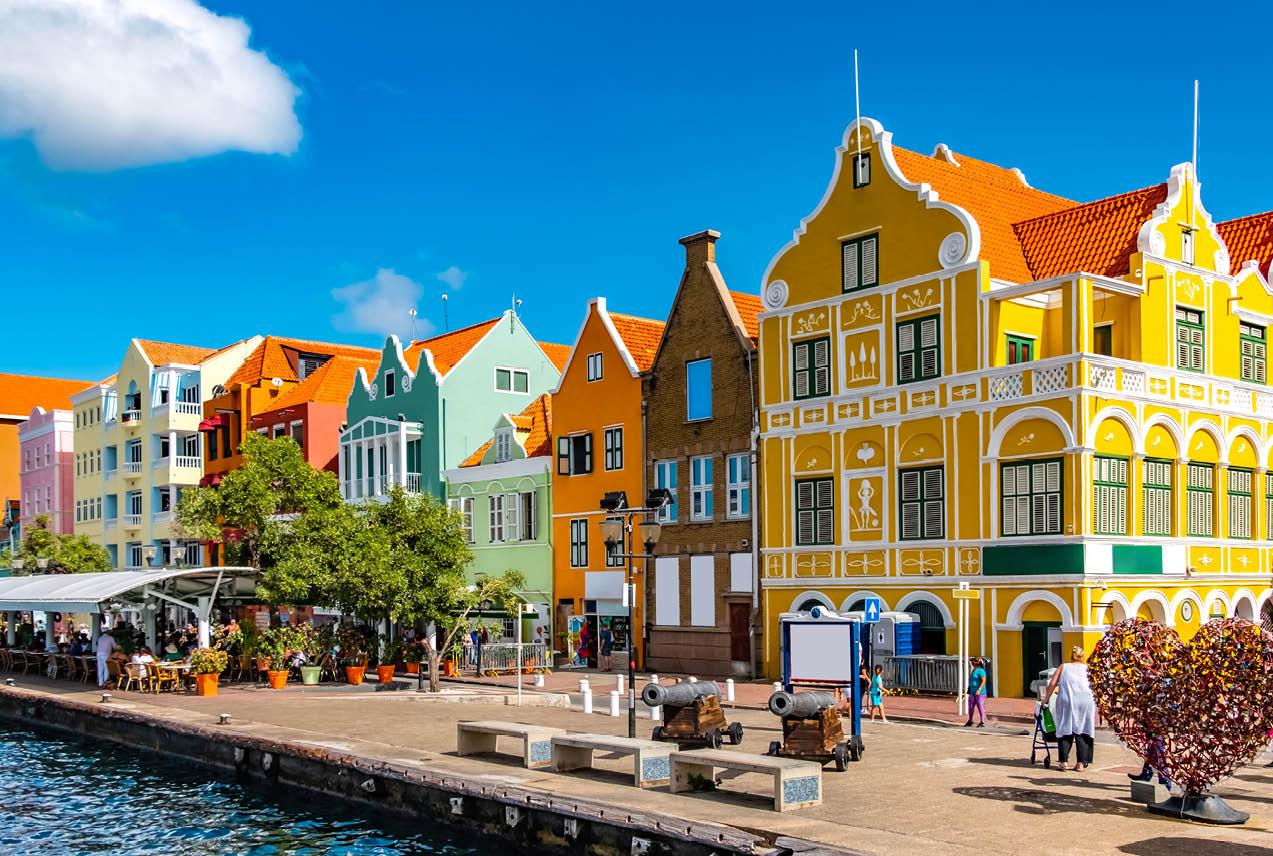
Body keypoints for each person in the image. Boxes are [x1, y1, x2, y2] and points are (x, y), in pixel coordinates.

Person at [1042, 646, 1097, 771]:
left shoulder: (1063, 667)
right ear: (1082, 657)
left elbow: (1052, 684)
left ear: (1071, 656)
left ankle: (1063, 762)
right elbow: (1096, 685)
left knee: (1065, 727)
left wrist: (1046, 699)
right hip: (1086, 701)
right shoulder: (1088, 669)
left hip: (1067, 700)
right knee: (1083, 729)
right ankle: (1081, 763)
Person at [965, 657, 988, 727]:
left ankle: (982, 721)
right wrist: (969, 688)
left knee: (979, 704)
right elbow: (972, 680)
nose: (972, 663)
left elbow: (984, 681)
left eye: (974, 662)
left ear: (978, 663)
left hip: (980, 692)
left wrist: (979, 689)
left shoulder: (981, 671)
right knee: (970, 706)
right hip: (972, 691)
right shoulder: (973, 670)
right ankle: (970, 720)